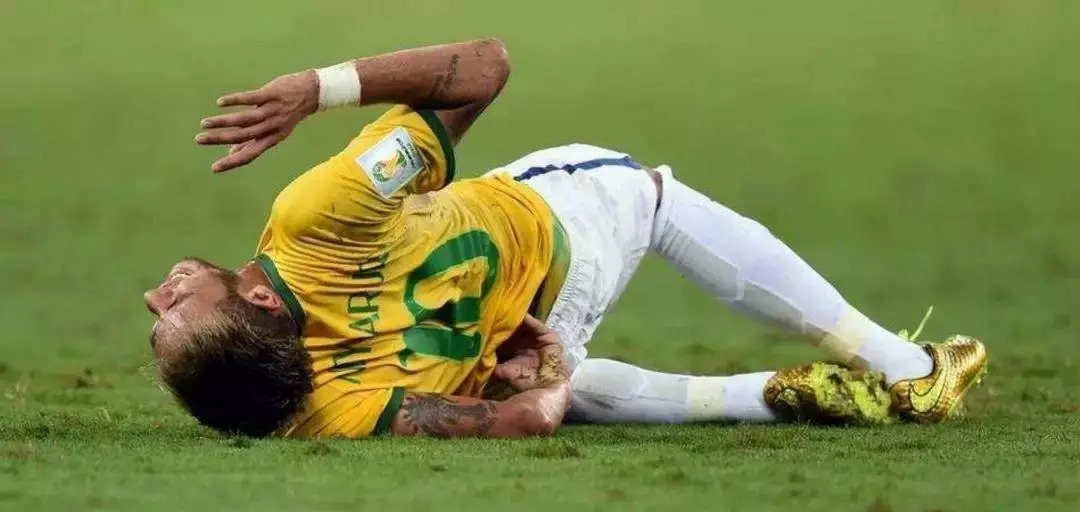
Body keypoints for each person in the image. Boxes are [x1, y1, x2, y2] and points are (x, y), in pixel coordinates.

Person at [144, 39, 987, 439]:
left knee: (557, 386)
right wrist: (316, 88)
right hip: (559, 234)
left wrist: (545, 386)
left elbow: (517, 421)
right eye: (175, 312)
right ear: (260, 300)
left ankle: (764, 394)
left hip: (524, 352)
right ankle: (905, 370)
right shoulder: (317, 218)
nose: (157, 295)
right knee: (652, 195)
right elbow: (485, 67)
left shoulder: (318, 411)